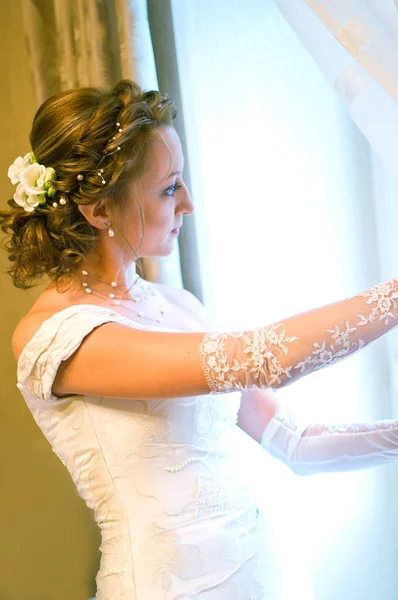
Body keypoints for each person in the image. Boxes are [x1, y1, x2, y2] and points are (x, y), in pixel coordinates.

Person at [2, 79, 398, 600]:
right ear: (99, 210)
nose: (188, 203)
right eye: (169, 187)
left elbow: (294, 441)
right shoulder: (57, 338)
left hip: (263, 578)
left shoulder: (178, 305)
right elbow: (265, 358)